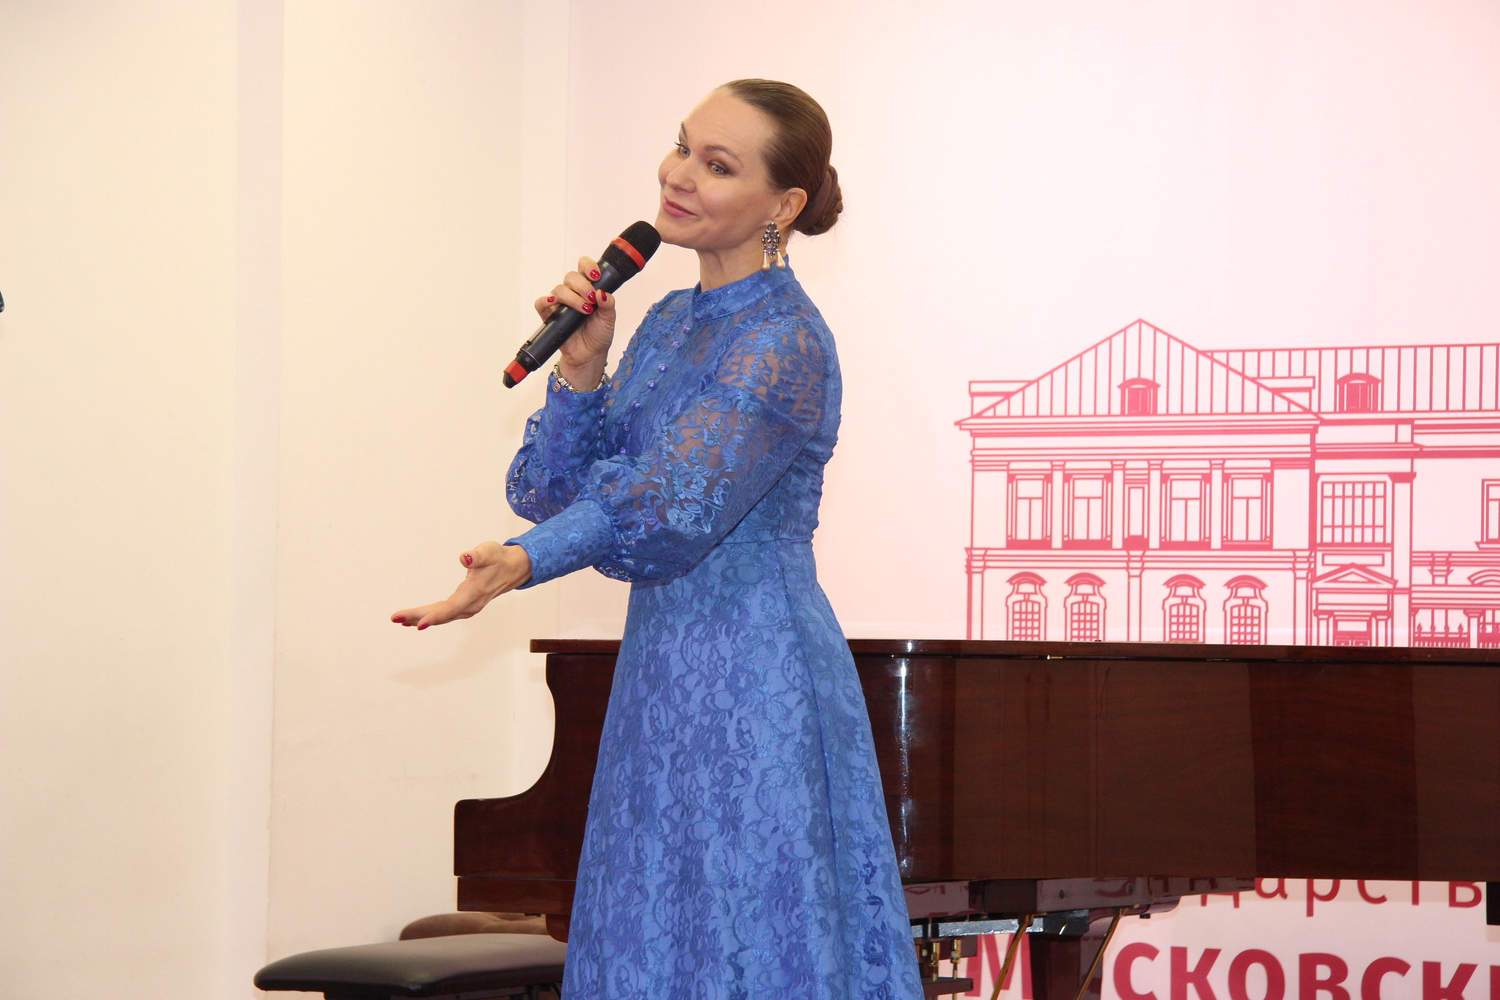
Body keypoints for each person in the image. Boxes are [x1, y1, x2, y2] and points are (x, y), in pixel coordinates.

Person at [392, 79, 922, 999]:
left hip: (755, 675)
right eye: (682, 146)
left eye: (717, 166)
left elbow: (668, 512)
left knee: (744, 930)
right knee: (653, 926)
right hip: (659, 674)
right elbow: (552, 490)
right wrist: (584, 368)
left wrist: (524, 562)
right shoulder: (669, 319)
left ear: (783, 206)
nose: (678, 175)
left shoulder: (784, 343)